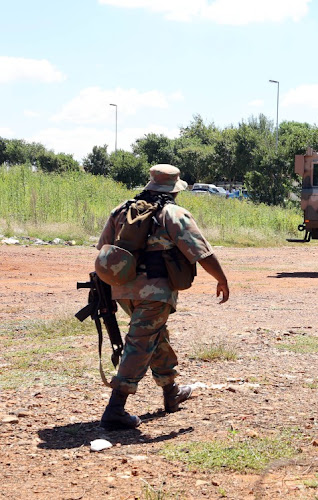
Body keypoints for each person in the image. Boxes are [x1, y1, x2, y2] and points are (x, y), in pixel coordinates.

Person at [96, 164, 230, 431]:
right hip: (156, 292)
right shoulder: (173, 213)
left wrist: (106, 289)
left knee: (155, 335)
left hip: (122, 289)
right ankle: (115, 408)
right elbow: (201, 252)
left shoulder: (122, 210)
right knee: (140, 342)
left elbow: (103, 250)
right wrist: (222, 279)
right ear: (174, 189)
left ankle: (171, 391)